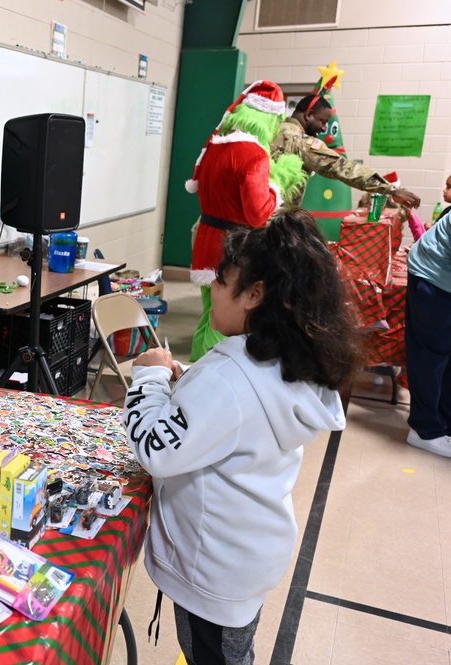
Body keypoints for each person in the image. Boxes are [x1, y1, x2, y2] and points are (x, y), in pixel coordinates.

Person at [124, 210, 362, 665]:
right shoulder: (281, 361)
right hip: (246, 556)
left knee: (215, 656)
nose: (212, 288)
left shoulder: (231, 379)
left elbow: (154, 448)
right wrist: (186, 378)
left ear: (255, 294)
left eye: (221, 279)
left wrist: (150, 379)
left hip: (213, 568)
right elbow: (233, 411)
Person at [186, 80, 306, 361]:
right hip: (233, 249)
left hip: (206, 238)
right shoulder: (255, 156)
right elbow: (258, 213)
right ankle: (207, 381)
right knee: (227, 320)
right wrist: (277, 182)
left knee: (210, 313)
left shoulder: (215, 148)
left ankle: (192, 371)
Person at [271, 94, 421, 209]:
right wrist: (390, 190)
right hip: (273, 222)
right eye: (322, 121)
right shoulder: (301, 142)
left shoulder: (272, 131)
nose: (323, 128)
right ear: (308, 114)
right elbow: (341, 167)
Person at [404, 198, 451, 456]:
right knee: (431, 354)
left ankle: (445, 424)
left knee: (447, 356)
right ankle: (425, 430)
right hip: (433, 277)